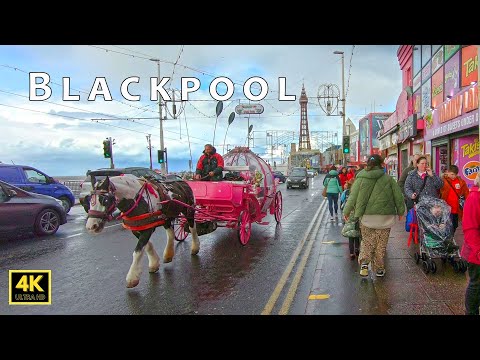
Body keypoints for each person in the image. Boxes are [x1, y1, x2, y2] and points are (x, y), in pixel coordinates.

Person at [343, 154, 405, 277]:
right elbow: (398, 196)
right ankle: (379, 269)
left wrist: (346, 212)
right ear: (381, 164)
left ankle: (365, 264)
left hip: (367, 216)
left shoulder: (360, 178)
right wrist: (401, 211)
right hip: (386, 217)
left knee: (367, 241)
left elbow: (352, 197)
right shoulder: (388, 179)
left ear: (368, 165)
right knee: (381, 244)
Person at [460, 172, 480, 315]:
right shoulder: (474, 198)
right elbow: (470, 229)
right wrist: (478, 251)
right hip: (476, 253)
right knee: (476, 284)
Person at [440, 165, 470, 234]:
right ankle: (448, 241)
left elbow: (466, 193)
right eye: (452, 174)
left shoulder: (461, 182)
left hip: (456, 209)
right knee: (446, 226)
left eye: (455, 175)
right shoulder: (443, 181)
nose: (453, 176)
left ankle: (450, 240)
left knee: (455, 225)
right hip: (446, 208)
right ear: (448, 172)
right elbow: (438, 192)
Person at [340, 179, 360, 260]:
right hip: (357, 217)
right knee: (357, 235)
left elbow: (342, 202)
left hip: (349, 217)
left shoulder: (345, 192)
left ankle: (351, 253)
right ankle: (357, 249)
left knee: (350, 237)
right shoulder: (359, 194)